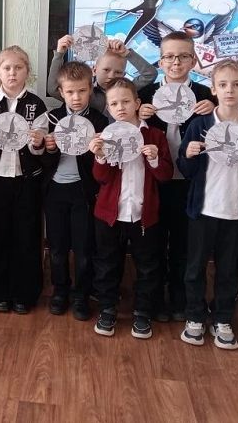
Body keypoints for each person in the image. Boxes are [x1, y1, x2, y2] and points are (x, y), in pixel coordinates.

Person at [178, 60, 238, 349]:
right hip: (203, 209)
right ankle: (194, 316)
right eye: (223, 85)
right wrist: (188, 154)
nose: (230, 90)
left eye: (237, 84)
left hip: (235, 210)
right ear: (213, 89)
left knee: (229, 269)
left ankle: (223, 317)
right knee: (195, 267)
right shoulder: (200, 124)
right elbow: (186, 170)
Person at [138, 31, 215, 321]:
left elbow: (226, 129)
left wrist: (215, 110)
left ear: (193, 60)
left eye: (183, 56)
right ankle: (156, 301)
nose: (176, 62)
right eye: (169, 56)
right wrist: (138, 114)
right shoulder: (145, 95)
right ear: (160, 61)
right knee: (154, 243)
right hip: (155, 181)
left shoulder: (206, 95)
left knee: (185, 244)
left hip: (190, 183)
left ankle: (181, 300)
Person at [88, 78, 173, 339]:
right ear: (108, 108)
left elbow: (166, 176)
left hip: (144, 215)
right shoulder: (106, 135)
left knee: (147, 265)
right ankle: (107, 309)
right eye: (114, 103)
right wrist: (100, 156)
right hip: (110, 214)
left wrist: (155, 158)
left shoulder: (155, 135)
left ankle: (142, 312)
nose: (120, 107)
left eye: (125, 101)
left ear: (137, 103)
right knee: (107, 263)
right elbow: (101, 178)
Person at [0, 46, 48, 314]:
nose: (12, 73)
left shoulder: (36, 105)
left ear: (27, 72)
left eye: (18, 68)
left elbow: (38, 151)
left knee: (26, 237)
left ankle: (24, 293)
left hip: (27, 180)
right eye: (7, 68)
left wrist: (38, 142)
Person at [41, 61, 108, 320]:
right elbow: (43, 161)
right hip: (55, 191)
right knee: (57, 247)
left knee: (83, 249)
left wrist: (96, 149)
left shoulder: (99, 120)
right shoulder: (52, 118)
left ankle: (81, 294)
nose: (76, 97)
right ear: (61, 92)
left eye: (81, 91)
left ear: (90, 89)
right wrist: (48, 149)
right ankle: (60, 291)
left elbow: (102, 164)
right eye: (70, 92)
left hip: (84, 193)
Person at [46, 34, 157, 122]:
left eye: (118, 72)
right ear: (94, 70)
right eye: (106, 70)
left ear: (123, 75)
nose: (111, 76)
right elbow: (53, 89)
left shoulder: (127, 90)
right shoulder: (85, 92)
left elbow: (150, 74)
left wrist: (127, 53)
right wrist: (59, 54)